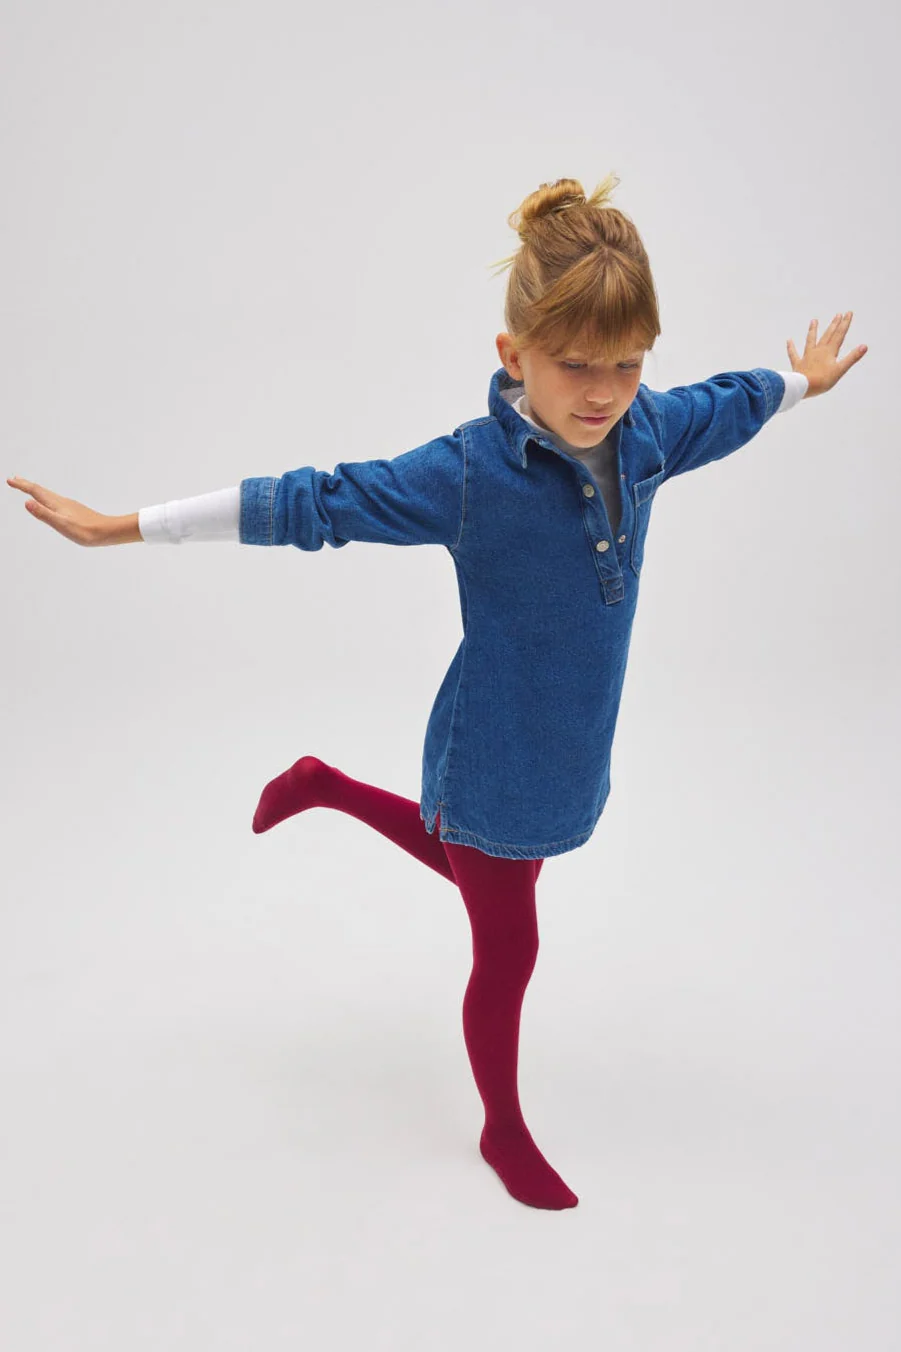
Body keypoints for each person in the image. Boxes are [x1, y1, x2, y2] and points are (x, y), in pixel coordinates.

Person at [7, 173, 868, 1212]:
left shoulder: (646, 433)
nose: (603, 392)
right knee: (509, 939)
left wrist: (803, 383)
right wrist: (125, 526)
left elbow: (731, 403)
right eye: (574, 364)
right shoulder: (468, 475)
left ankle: (322, 784)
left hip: (567, 744)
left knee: (481, 867)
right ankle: (503, 1128)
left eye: (628, 363)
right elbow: (315, 501)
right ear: (513, 355)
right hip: (493, 744)